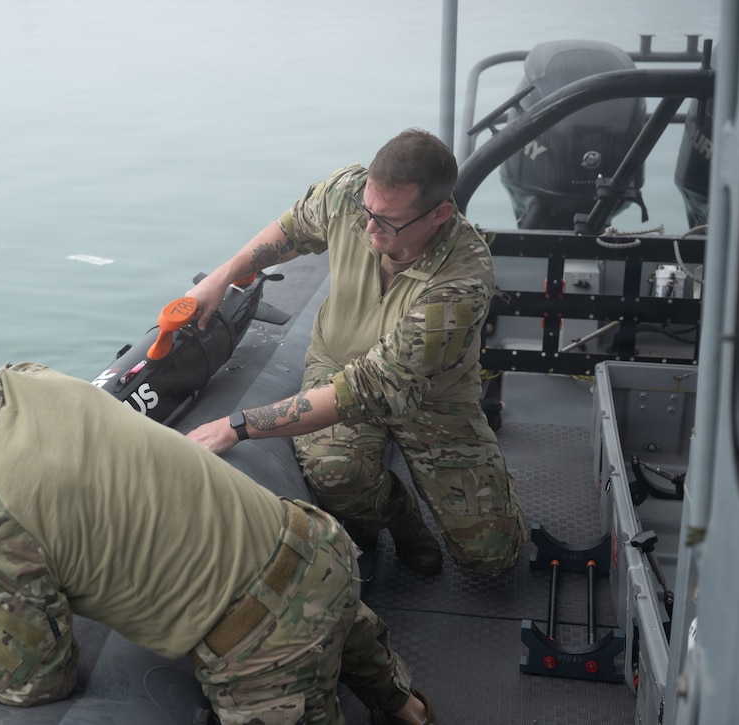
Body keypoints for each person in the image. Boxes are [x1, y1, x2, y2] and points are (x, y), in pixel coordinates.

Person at [0, 325, 439, 725]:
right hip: (312, 545)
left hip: (266, 645)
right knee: (383, 684)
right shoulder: (23, 380)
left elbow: (33, 678)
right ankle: (406, 708)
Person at [185, 128, 527, 579]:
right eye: (369, 211)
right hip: (337, 365)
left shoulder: (460, 281)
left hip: (431, 398)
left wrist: (238, 425)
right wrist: (224, 275)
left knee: (493, 561)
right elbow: (293, 229)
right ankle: (402, 518)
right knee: (334, 470)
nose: (369, 228)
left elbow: (368, 388)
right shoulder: (349, 193)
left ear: (440, 213)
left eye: (388, 221)